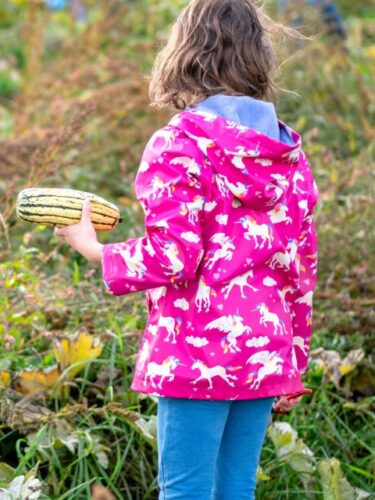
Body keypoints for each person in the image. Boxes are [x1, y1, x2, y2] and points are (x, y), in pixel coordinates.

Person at [54, 1, 317, 498]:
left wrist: (94, 249)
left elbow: (172, 256)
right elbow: (300, 270)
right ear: (259, 58)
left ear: (185, 54)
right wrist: (292, 362)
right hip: (265, 348)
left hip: (198, 351)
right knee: (235, 486)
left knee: (185, 490)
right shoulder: (289, 156)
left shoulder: (179, 143)